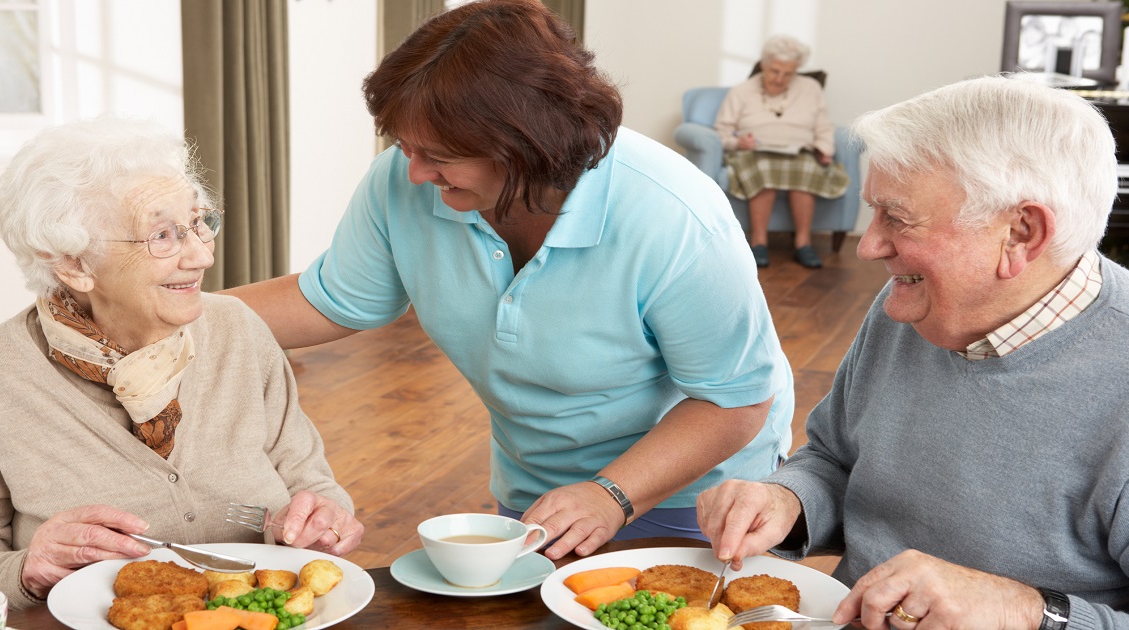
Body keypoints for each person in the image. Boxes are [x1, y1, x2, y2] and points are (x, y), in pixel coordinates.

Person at [227, 0, 794, 561]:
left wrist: (610, 495)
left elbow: (734, 401)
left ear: (528, 146)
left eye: (440, 155)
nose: (417, 172)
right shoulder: (406, 183)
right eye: (405, 146)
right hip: (539, 491)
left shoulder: (673, 215)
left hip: (697, 495)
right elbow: (331, 300)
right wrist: (166, 312)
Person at [697, 75, 1129, 629]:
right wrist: (788, 502)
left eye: (895, 218)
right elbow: (834, 457)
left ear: (1021, 232)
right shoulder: (913, 303)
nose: (868, 245)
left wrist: (1026, 613)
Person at [0, 117, 363, 610]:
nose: (201, 255)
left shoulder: (237, 331)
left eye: (199, 223)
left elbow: (311, 483)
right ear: (71, 264)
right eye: (162, 236)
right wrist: (27, 568)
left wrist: (325, 518)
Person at [714, 34, 849, 269]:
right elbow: (722, 131)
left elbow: (824, 126)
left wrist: (824, 149)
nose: (779, 79)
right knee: (763, 168)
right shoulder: (742, 91)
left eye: (788, 74)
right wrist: (738, 143)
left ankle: (803, 244)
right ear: (763, 65)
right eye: (774, 71)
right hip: (754, 151)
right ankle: (758, 243)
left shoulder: (810, 88)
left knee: (807, 168)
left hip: (799, 151)